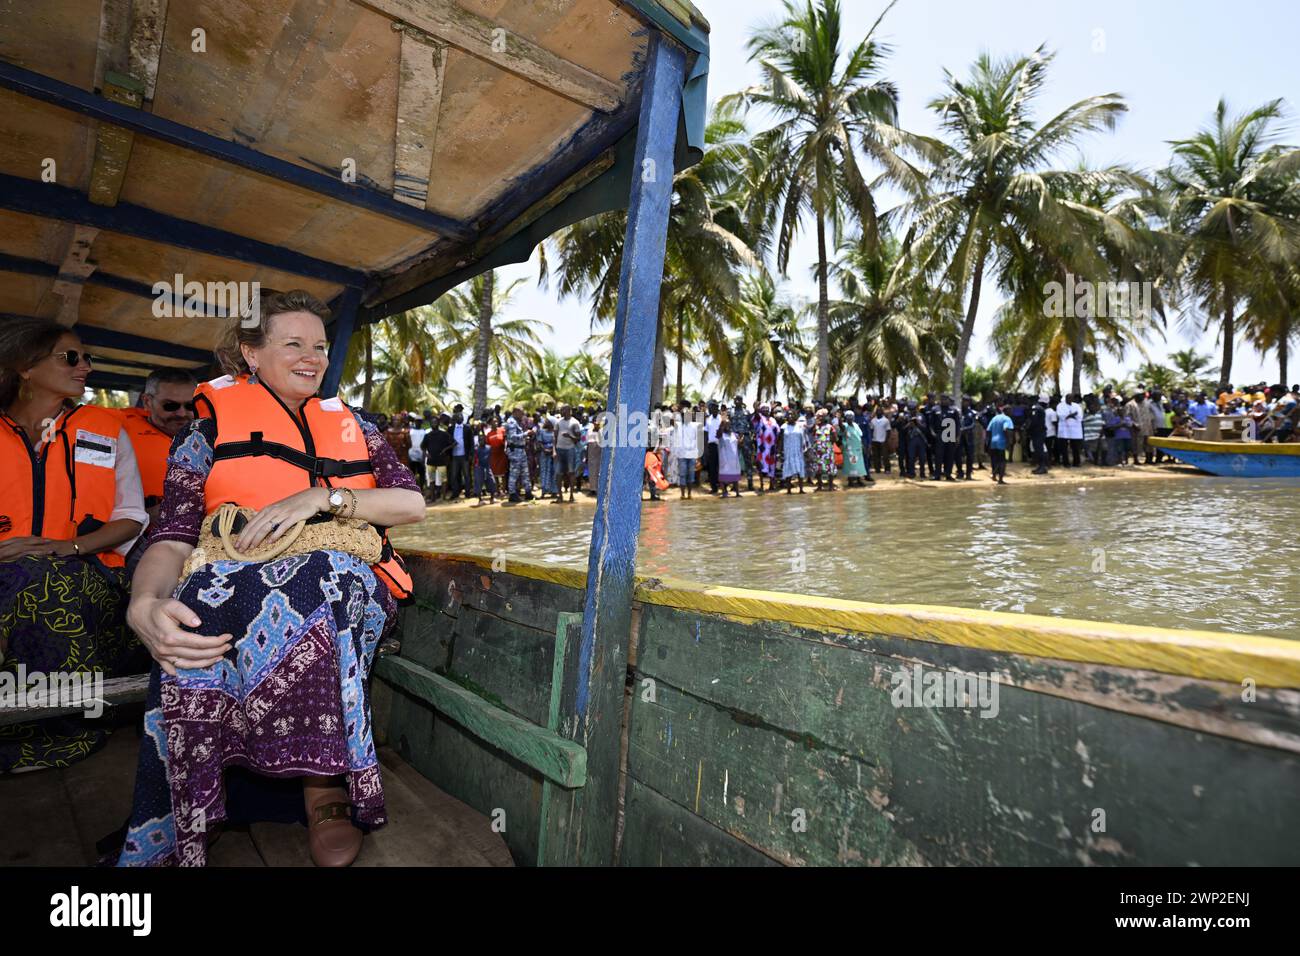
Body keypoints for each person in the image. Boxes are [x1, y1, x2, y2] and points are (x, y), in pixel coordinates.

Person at [117, 290, 425, 867]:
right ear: (250, 354)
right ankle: (196, 791)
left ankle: (323, 787)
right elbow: (175, 534)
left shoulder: (355, 423)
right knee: (191, 603)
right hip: (237, 576)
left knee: (319, 576)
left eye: (320, 346)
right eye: (294, 344)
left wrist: (322, 496)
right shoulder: (204, 429)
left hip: (346, 577)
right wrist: (144, 601)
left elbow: (412, 505)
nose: (313, 357)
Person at [1, 317, 148, 773]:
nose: (84, 365)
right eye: (71, 356)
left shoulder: (106, 428)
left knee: (40, 586)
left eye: (88, 357)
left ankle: (55, 736)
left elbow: (132, 516)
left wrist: (70, 548)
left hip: (90, 575)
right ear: (25, 367)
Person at [115, 368, 199, 522]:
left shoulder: (211, 436)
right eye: (170, 406)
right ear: (147, 401)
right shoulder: (117, 433)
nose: (181, 414)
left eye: (190, 406)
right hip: (139, 535)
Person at [421, 413, 453, 501]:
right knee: (431, 480)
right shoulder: (427, 435)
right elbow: (423, 447)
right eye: (432, 422)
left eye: (435, 422)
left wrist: (445, 450)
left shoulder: (444, 434)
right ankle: (432, 497)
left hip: (442, 461)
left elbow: (454, 443)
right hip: (430, 461)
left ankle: (443, 497)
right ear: (430, 424)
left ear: (438, 423)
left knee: (444, 479)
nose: (433, 424)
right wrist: (425, 456)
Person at [504, 406, 532, 503]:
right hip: (515, 451)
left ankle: (528, 492)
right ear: (515, 412)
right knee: (514, 473)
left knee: (525, 472)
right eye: (521, 413)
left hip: (521, 450)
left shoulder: (517, 422)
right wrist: (525, 434)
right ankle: (512, 494)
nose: (523, 415)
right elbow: (512, 437)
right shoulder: (511, 422)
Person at [670, 407, 699, 499]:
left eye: (686, 415)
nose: (684, 416)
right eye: (683, 415)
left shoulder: (694, 426)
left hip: (691, 454)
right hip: (681, 454)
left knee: (691, 475)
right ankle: (682, 494)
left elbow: (697, 440)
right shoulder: (678, 425)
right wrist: (676, 412)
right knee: (682, 474)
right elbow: (670, 421)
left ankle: (689, 494)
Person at [780, 410, 807, 493]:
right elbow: (780, 440)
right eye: (789, 414)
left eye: (792, 414)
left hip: (798, 451)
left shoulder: (799, 426)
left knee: (800, 469)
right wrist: (780, 451)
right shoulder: (783, 427)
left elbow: (803, 438)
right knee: (788, 470)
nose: (790, 416)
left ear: (795, 416)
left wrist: (804, 449)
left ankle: (801, 489)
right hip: (788, 451)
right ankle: (789, 490)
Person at [985, 404, 1014, 484]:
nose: (1012, 412)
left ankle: (994, 475)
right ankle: (1000, 479)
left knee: (995, 460)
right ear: (1006, 411)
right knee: (1003, 461)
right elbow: (1006, 429)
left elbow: (988, 430)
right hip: (1002, 443)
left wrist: (988, 442)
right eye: (1010, 410)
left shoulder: (994, 418)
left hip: (993, 443)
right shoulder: (1007, 419)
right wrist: (1008, 442)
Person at [839, 409, 869, 487]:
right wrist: (839, 419)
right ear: (846, 418)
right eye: (848, 417)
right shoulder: (845, 425)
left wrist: (862, 445)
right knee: (851, 465)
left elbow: (859, 436)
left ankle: (859, 480)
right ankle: (851, 481)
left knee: (859, 465)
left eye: (851, 416)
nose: (850, 418)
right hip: (849, 449)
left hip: (858, 448)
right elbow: (841, 426)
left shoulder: (855, 425)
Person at [447, 409, 471, 499]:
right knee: (454, 475)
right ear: (456, 418)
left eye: (462, 417)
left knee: (467, 475)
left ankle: (467, 493)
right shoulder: (450, 429)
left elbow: (471, 442)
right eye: (459, 416)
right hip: (454, 456)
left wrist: (470, 454)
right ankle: (455, 493)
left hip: (464, 455)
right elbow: (448, 440)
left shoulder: (467, 428)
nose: (461, 418)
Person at [1056, 393, 1083, 467]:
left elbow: (1080, 416)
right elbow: (1060, 415)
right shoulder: (1060, 405)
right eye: (1068, 398)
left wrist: (1069, 416)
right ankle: (1066, 463)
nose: (1070, 399)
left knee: (1075, 447)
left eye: (1071, 398)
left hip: (1075, 430)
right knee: (1064, 448)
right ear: (1066, 398)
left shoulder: (1077, 406)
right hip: (1064, 429)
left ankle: (1076, 462)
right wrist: (1071, 415)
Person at [717, 419, 743, 498]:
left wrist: (741, 441)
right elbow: (718, 434)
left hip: (734, 459)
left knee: (735, 476)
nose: (727, 426)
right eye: (726, 425)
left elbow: (738, 445)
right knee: (723, 476)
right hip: (724, 458)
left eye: (728, 424)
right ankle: (724, 492)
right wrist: (721, 426)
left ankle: (737, 493)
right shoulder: (721, 434)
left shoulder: (734, 434)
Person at [703, 401, 722, 494]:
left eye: (715, 408)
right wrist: (705, 447)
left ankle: (722, 486)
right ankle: (714, 487)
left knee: (721, 466)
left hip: (721, 445)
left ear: (717, 409)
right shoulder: (708, 419)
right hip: (711, 446)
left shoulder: (721, 418)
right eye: (711, 408)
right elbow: (705, 433)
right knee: (712, 467)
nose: (713, 409)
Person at [1028, 395, 1050, 474]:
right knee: (1039, 449)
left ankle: (1042, 467)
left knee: (1039, 450)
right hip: (1040, 431)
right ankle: (1041, 466)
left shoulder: (1036, 408)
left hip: (1037, 432)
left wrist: (1029, 428)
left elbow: (1034, 420)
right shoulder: (1040, 408)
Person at [869, 405, 891, 474]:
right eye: (877, 411)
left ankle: (887, 469)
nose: (878, 412)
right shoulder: (873, 420)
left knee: (885, 456)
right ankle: (877, 469)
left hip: (883, 440)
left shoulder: (886, 420)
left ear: (882, 412)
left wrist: (886, 440)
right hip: (875, 440)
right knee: (876, 456)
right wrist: (871, 440)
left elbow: (888, 431)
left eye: (880, 410)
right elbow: (871, 430)